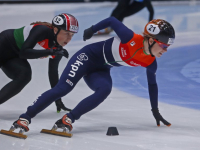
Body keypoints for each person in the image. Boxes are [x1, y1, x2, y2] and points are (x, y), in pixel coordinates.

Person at [11, 16, 175, 134]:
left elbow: (152, 84)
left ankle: (68, 119)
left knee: (104, 89)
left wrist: (155, 110)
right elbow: (112, 21)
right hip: (87, 57)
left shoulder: (150, 62)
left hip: (100, 70)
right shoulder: (131, 38)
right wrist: (92, 30)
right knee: (63, 88)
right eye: (164, 45)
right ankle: (24, 118)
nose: (165, 50)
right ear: (152, 40)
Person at [0, 13, 79, 112]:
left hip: (14, 56)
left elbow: (53, 73)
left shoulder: (57, 49)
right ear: (55, 30)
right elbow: (24, 52)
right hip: (3, 44)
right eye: (67, 33)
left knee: (24, 76)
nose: (69, 38)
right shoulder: (42, 30)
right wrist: (50, 51)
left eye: (72, 35)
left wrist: (57, 100)